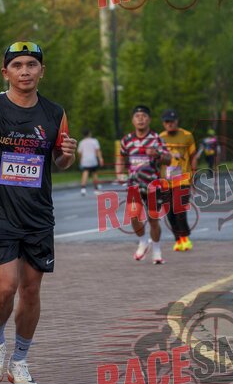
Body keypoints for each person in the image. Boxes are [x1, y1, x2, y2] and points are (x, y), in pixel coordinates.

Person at [0, 41, 77, 384]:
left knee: (31, 290)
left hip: (38, 214)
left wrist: (67, 155)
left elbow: (60, 160)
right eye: (18, 65)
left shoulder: (55, 113)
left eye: (32, 65)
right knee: (7, 286)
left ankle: (20, 361)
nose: (25, 71)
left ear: (42, 71)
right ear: (5, 72)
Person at [116, 105, 172, 264]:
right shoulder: (127, 140)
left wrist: (158, 154)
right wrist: (119, 173)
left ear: (149, 120)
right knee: (133, 216)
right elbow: (121, 156)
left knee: (153, 220)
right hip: (134, 184)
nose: (140, 119)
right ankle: (143, 241)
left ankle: (157, 250)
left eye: (144, 116)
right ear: (133, 120)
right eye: (137, 116)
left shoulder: (156, 139)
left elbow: (168, 159)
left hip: (153, 185)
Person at [159, 109, 196, 252]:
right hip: (166, 181)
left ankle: (185, 238)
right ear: (163, 123)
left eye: (172, 121)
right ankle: (178, 239)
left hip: (183, 179)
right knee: (169, 212)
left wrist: (193, 176)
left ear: (177, 122)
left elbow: (193, 156)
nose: (170, 124)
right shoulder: (160, 138)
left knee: (179, 209)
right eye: (167, 122)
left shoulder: (187, 136)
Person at [77, 129, 103, 195]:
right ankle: (96, 189)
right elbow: (97, 150)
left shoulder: (81, 142)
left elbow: (79, 153)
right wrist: (100, 159)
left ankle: (83, 189)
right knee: (94, 173)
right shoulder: (94, 141)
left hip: (85, 160)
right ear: (89, 133)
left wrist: (80, 160)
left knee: (85, 173)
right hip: (93, 160)